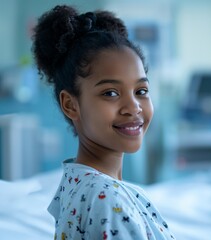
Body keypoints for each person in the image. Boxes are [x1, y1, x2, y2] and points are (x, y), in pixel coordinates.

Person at [32, 5, 175, 239]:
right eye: (110, 93)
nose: (134, 107)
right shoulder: (109, 201)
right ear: (70, 104)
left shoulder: (77, 182)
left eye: (141, 90)